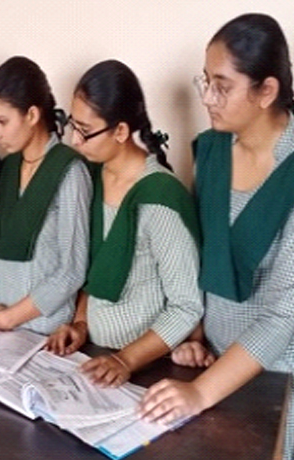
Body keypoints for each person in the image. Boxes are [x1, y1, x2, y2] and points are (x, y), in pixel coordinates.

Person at [139, 14, 294, 460]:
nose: (208, 98)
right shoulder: (213, 153)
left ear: (266, 91)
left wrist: (200, 393)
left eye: (222, 86)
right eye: (206, 81)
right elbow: (206, 255)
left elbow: (282, 317)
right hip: (215, 361)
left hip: (280, 370)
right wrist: (196, 335)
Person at [45, 60, 203, 387]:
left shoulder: (159, 197)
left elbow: (186, 306)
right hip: (97, 355)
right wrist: (80, 324)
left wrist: (126, 360)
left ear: (120, 131)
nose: (74, 141)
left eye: (85, 131)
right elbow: (95, 272)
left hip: (149, 367)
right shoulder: (95, 176)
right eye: (73, 125)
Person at [0, 56, 90, 336]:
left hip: (45, 333)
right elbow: (3, 263)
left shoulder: (70, 170)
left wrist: (11, 318)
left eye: (2, 121)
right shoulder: (8, 168)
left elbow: (72, 270)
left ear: (32, 115)